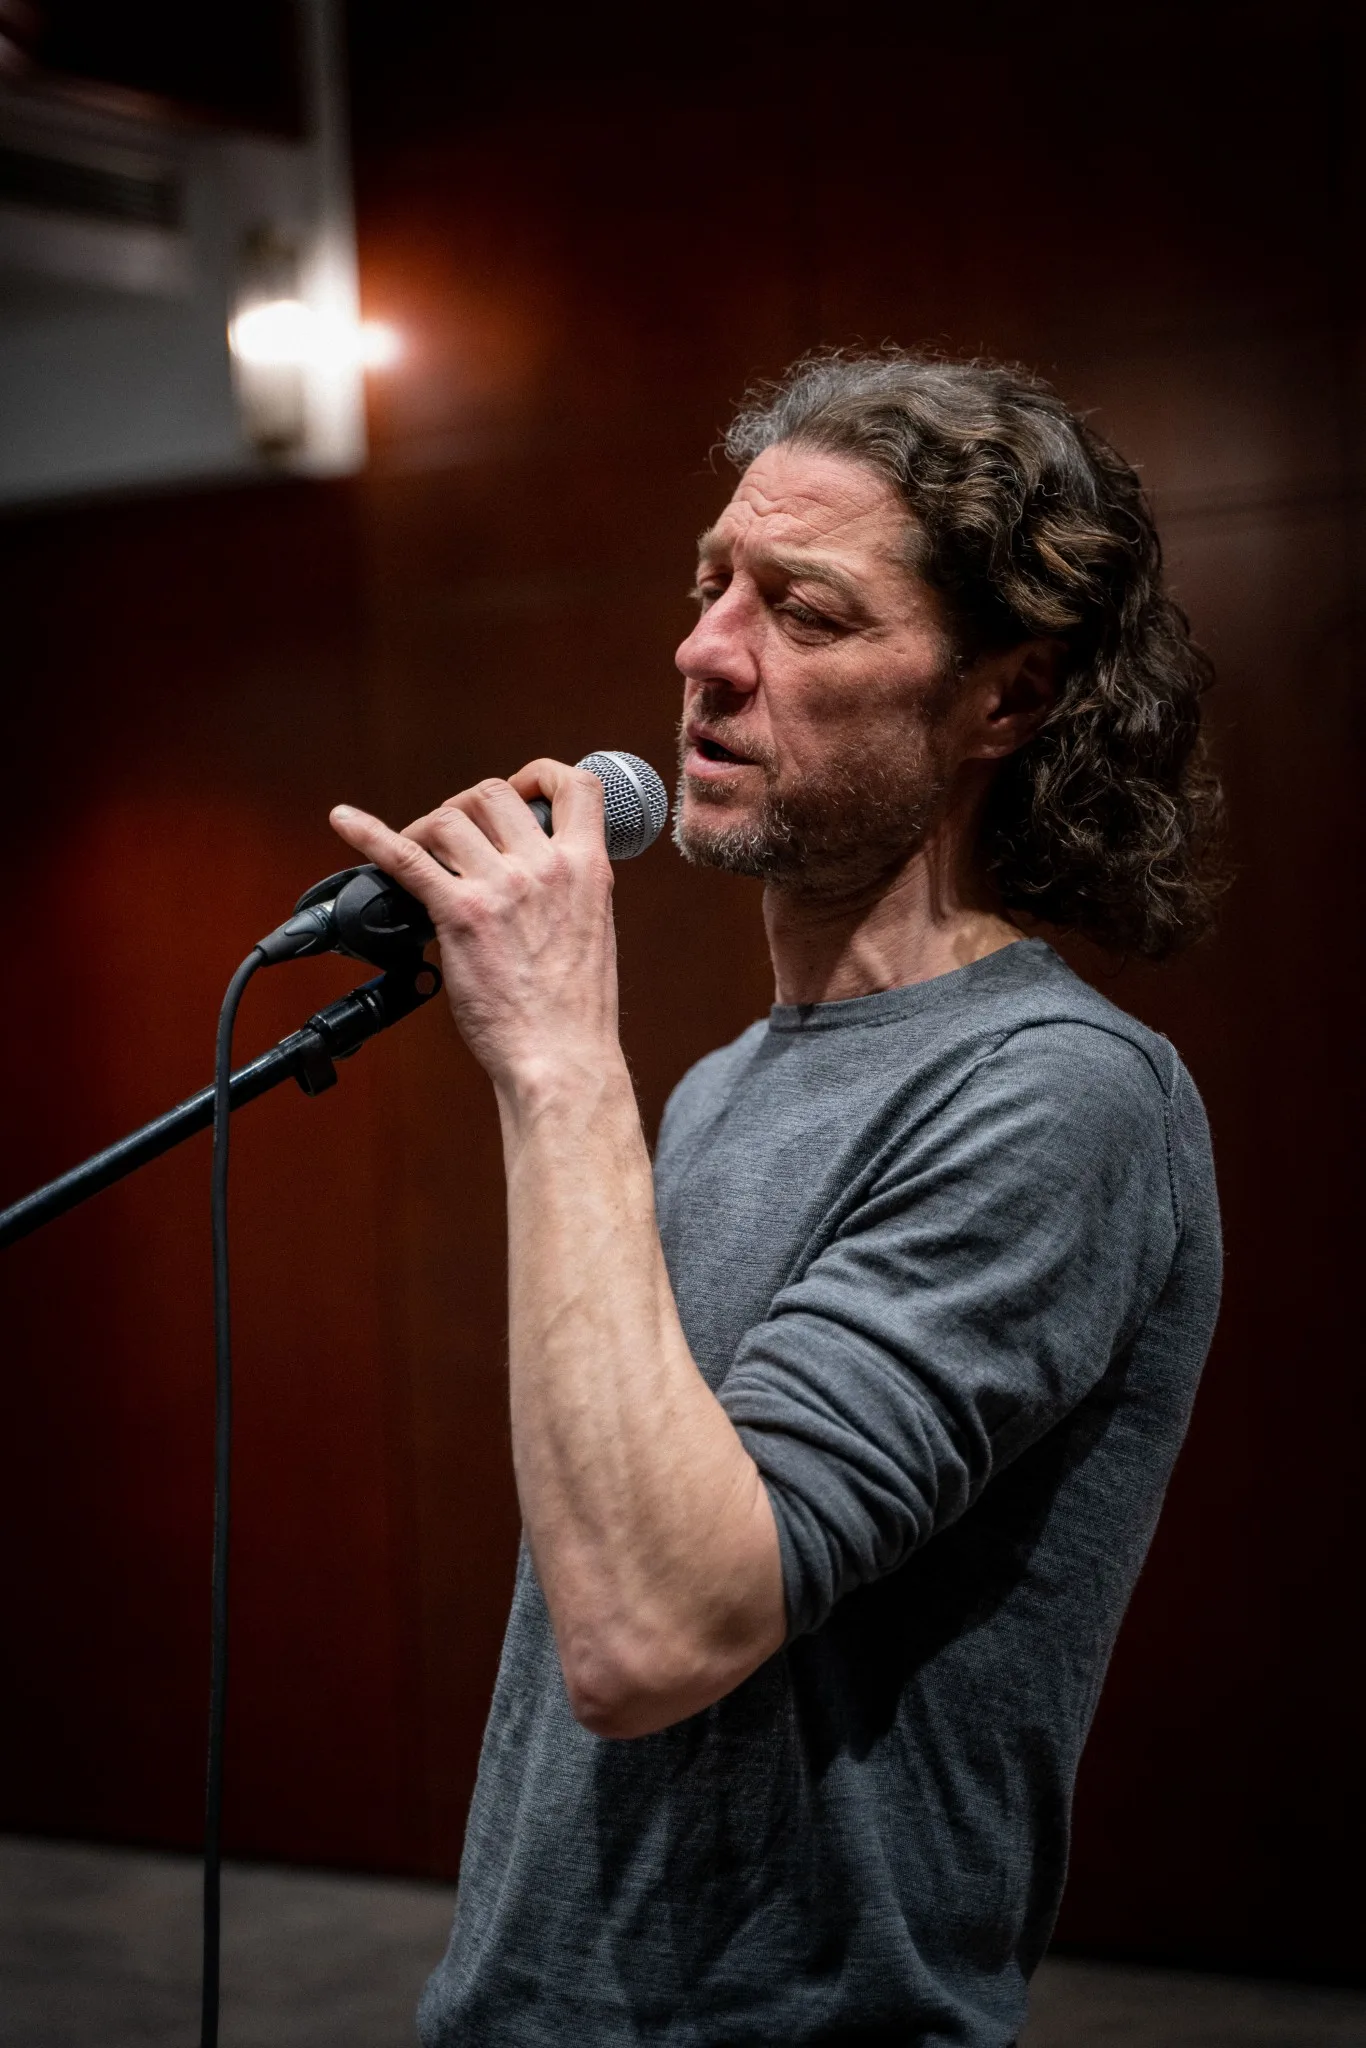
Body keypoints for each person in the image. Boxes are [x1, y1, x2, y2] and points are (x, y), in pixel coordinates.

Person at [331, 351, 1224, 2048]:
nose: (702, 653)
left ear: (1007, 699)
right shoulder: (737, 1080)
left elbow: (658, 1632)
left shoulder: (1055, 1096)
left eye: (803, 612)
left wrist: (554, 1060)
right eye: (708, 585)